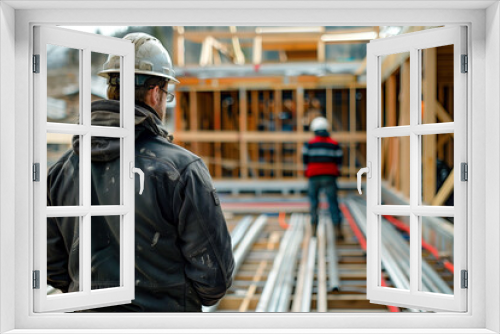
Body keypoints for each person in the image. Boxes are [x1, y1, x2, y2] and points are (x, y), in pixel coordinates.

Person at [46, 33, 234, 312]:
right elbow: (214, 278)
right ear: (156, 92)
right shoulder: (180, 170)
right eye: (166, 94)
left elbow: (51, 265)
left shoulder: (62, 170)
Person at [302, 116, 344, 239]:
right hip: (330, 177)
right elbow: (339, 162)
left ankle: (314, 229)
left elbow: (305, 161)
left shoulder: (309, 144)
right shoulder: (334, 144)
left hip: (313, 177)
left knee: (314, 203)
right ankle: (338, 231)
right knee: (333, 202)